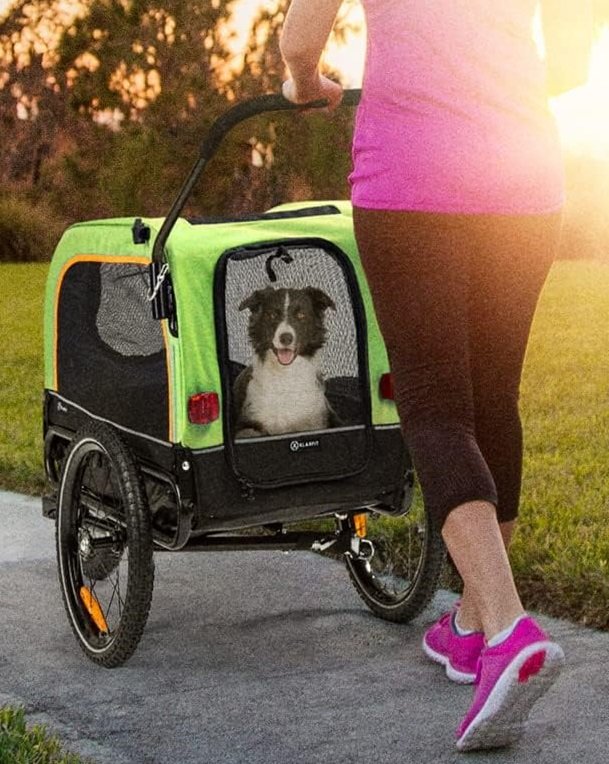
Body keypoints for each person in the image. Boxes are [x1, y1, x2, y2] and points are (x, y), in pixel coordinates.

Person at [279, 0, 594, 752]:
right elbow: (578, 50)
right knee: (493, 400)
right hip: (524, 182)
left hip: (412, 181)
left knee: (434, 407)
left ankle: (507, 631)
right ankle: (471, 622)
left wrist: (304, 84)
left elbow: (299, 41)